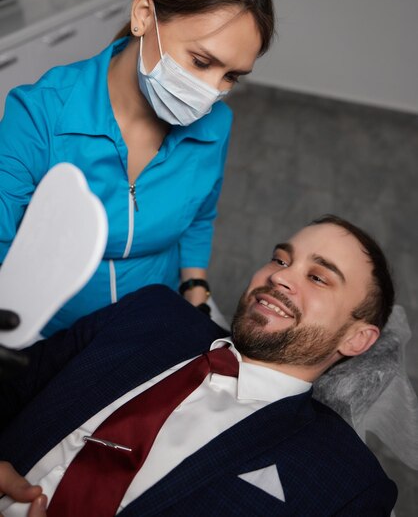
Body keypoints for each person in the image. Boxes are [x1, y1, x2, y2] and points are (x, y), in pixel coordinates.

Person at [0, 214, 397, 516]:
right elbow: (13, 380)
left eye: (318, 277)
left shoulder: (348, 482)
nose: (280, 277)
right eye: (280, 259)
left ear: (356, 338)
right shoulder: (152, 311)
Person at [0, 0, 274, 336]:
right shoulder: (39, 115)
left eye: (231, 76)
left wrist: (195, 289)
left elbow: (200, 216)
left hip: (153, 318)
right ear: (144, 16)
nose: (211, 93)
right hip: (51, 333)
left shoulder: (215, 126)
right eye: (201, 62)